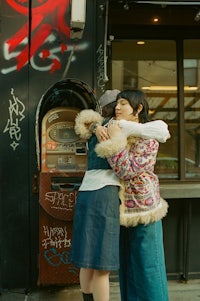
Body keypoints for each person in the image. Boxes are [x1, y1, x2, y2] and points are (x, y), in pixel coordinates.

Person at [71, 89, 170, 301]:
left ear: (138, 108)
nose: (118, 107)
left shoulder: (147, 135)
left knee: (148, 266)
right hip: (120, 208)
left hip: (144, 208)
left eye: (123, 103)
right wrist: (99, 127)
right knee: (129, 268)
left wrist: (114, 141)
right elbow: (88, 122)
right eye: (117, 103)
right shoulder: (115, 128)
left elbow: (127, 170)